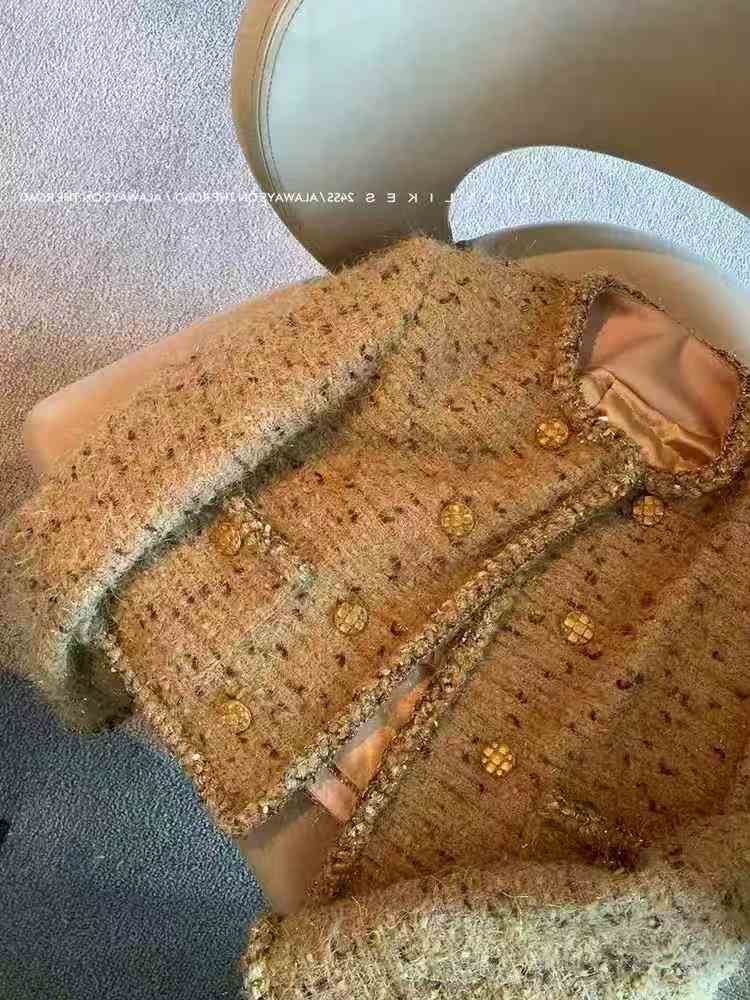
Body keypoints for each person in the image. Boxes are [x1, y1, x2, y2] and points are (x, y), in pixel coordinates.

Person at [4, 234, 750, 998]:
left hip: (483, 848)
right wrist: (50, 590)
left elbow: (715, 891)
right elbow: (225, 406)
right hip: (251, 640)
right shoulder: (452, 301)